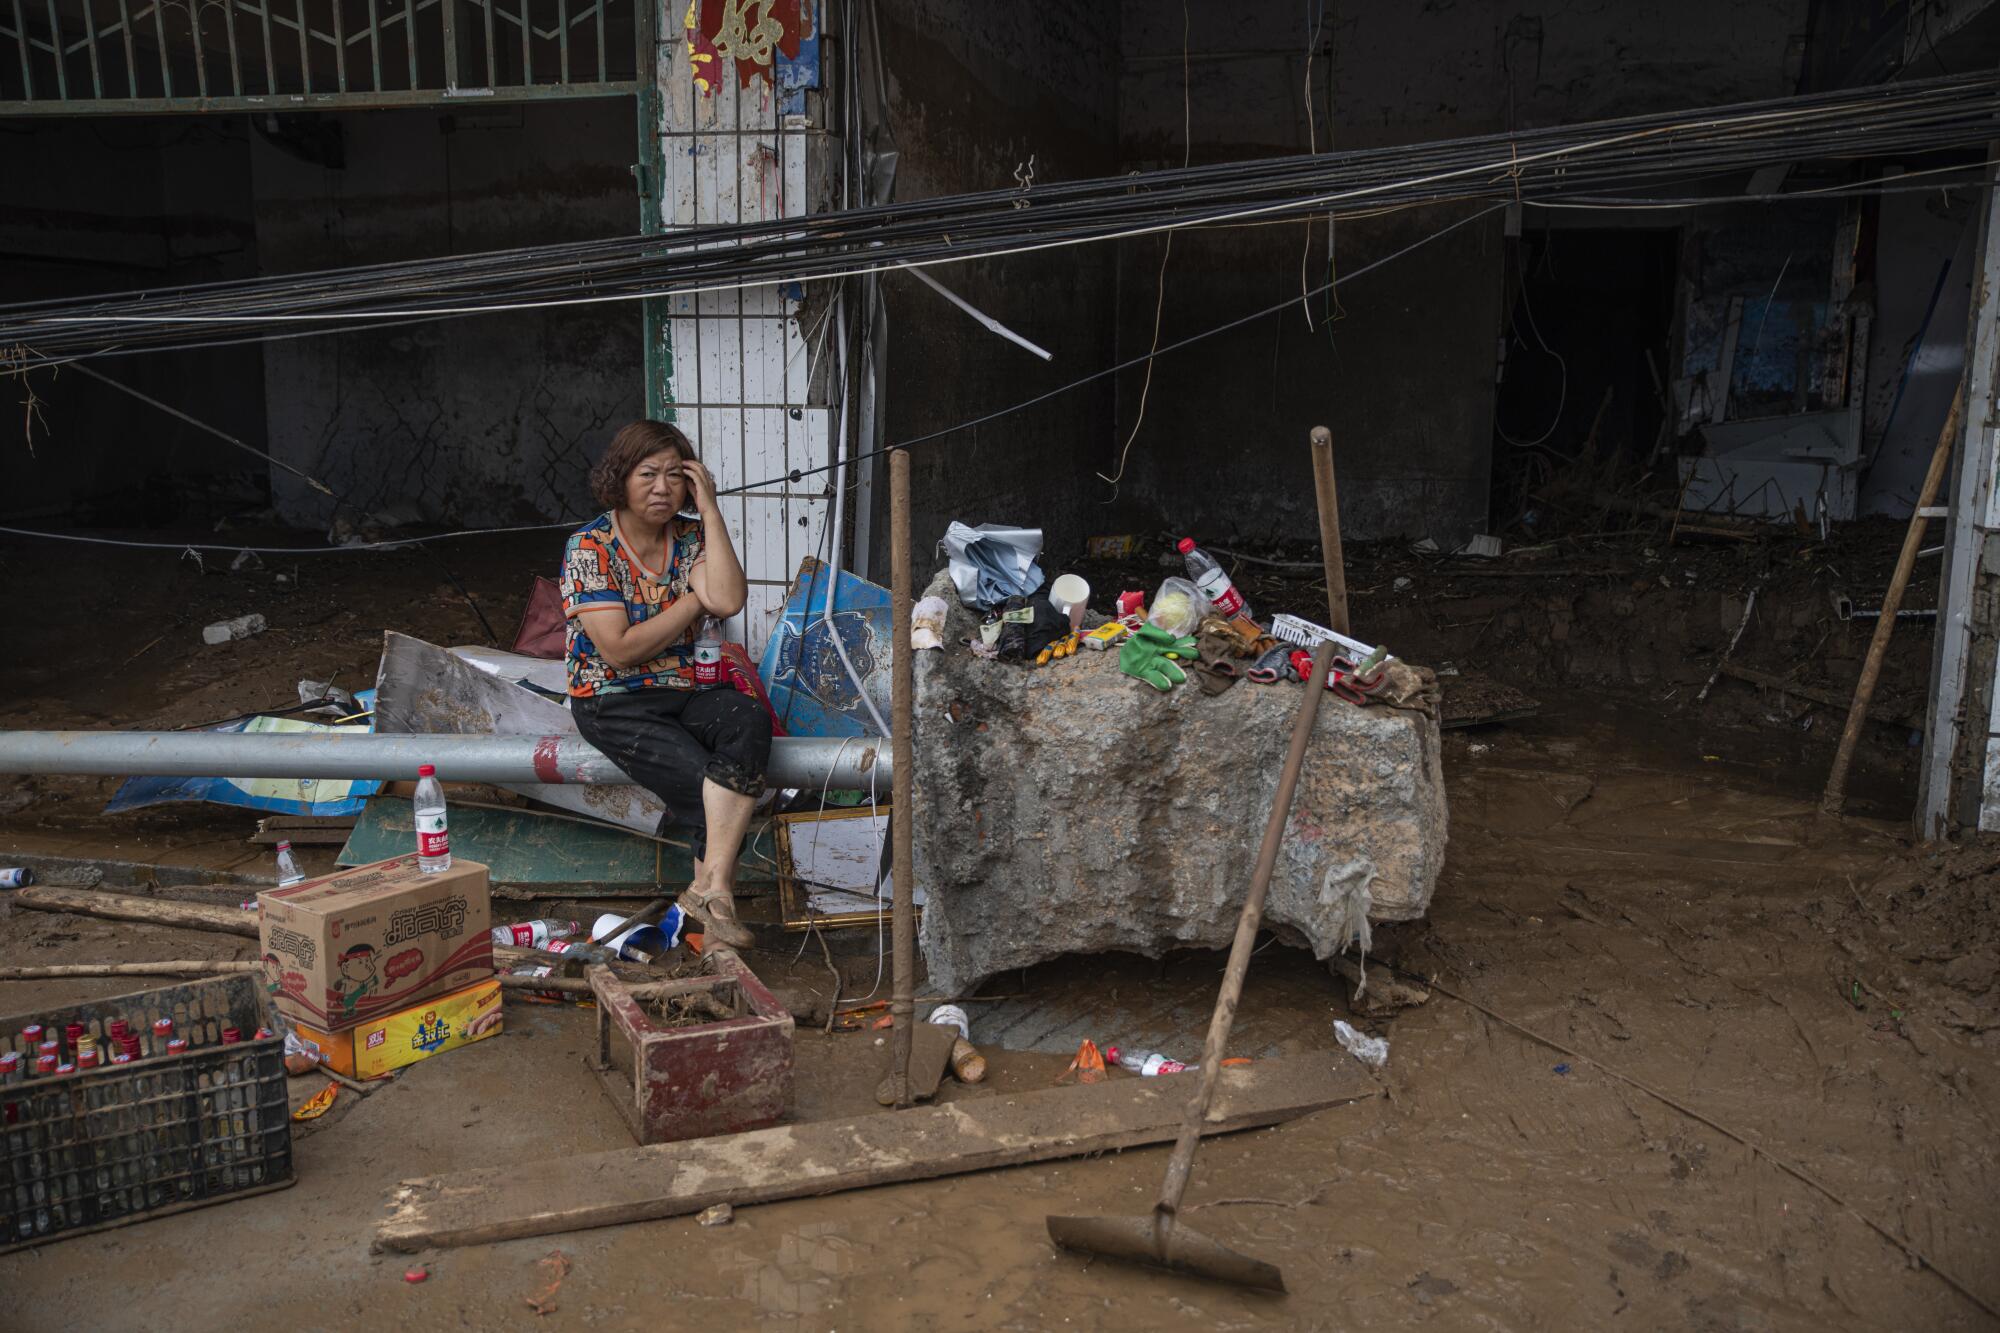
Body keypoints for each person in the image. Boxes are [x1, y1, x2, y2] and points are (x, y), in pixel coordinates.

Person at [561, 420, 769, 947]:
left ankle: (710, 896)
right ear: (621, 479)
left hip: (682, 690)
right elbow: (620, 648)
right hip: (612, 698)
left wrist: (713, 511)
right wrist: (691, 600)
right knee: (711, 792)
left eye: (676, 476)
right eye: (648, 474)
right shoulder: (590, 546)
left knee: (745, 718)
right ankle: (711, 921)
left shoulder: (695, 536)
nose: (662, 488)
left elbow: (727, 600)